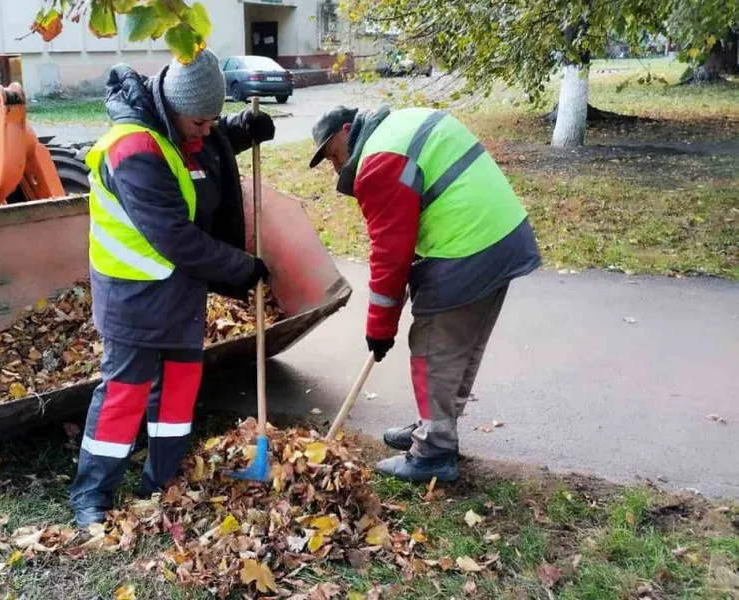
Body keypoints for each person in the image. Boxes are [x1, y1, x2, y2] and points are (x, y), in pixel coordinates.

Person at [70, 50, 275, 527]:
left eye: (214, 121)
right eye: (201, 121)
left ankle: (162, 480)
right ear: (171, 106)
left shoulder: (179, 129)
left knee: (179, 395)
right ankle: (92, 496)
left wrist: (241, 131)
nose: (207, 130)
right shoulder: (133, 149)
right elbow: (174, 236)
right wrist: (243, 268)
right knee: (125, 395)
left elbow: (201, 154)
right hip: (134, 300)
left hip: (181, 296)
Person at [308, 105, 541, 483]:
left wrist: (379, 329)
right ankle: (434, 427)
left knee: (433, 343)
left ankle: (433, 451)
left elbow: (390, 255)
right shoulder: (399, 126)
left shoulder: (378, 162)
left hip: (468, 248)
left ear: (348, 130)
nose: (336, 168)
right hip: (501, 237)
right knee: (459, 348)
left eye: (333, 155)